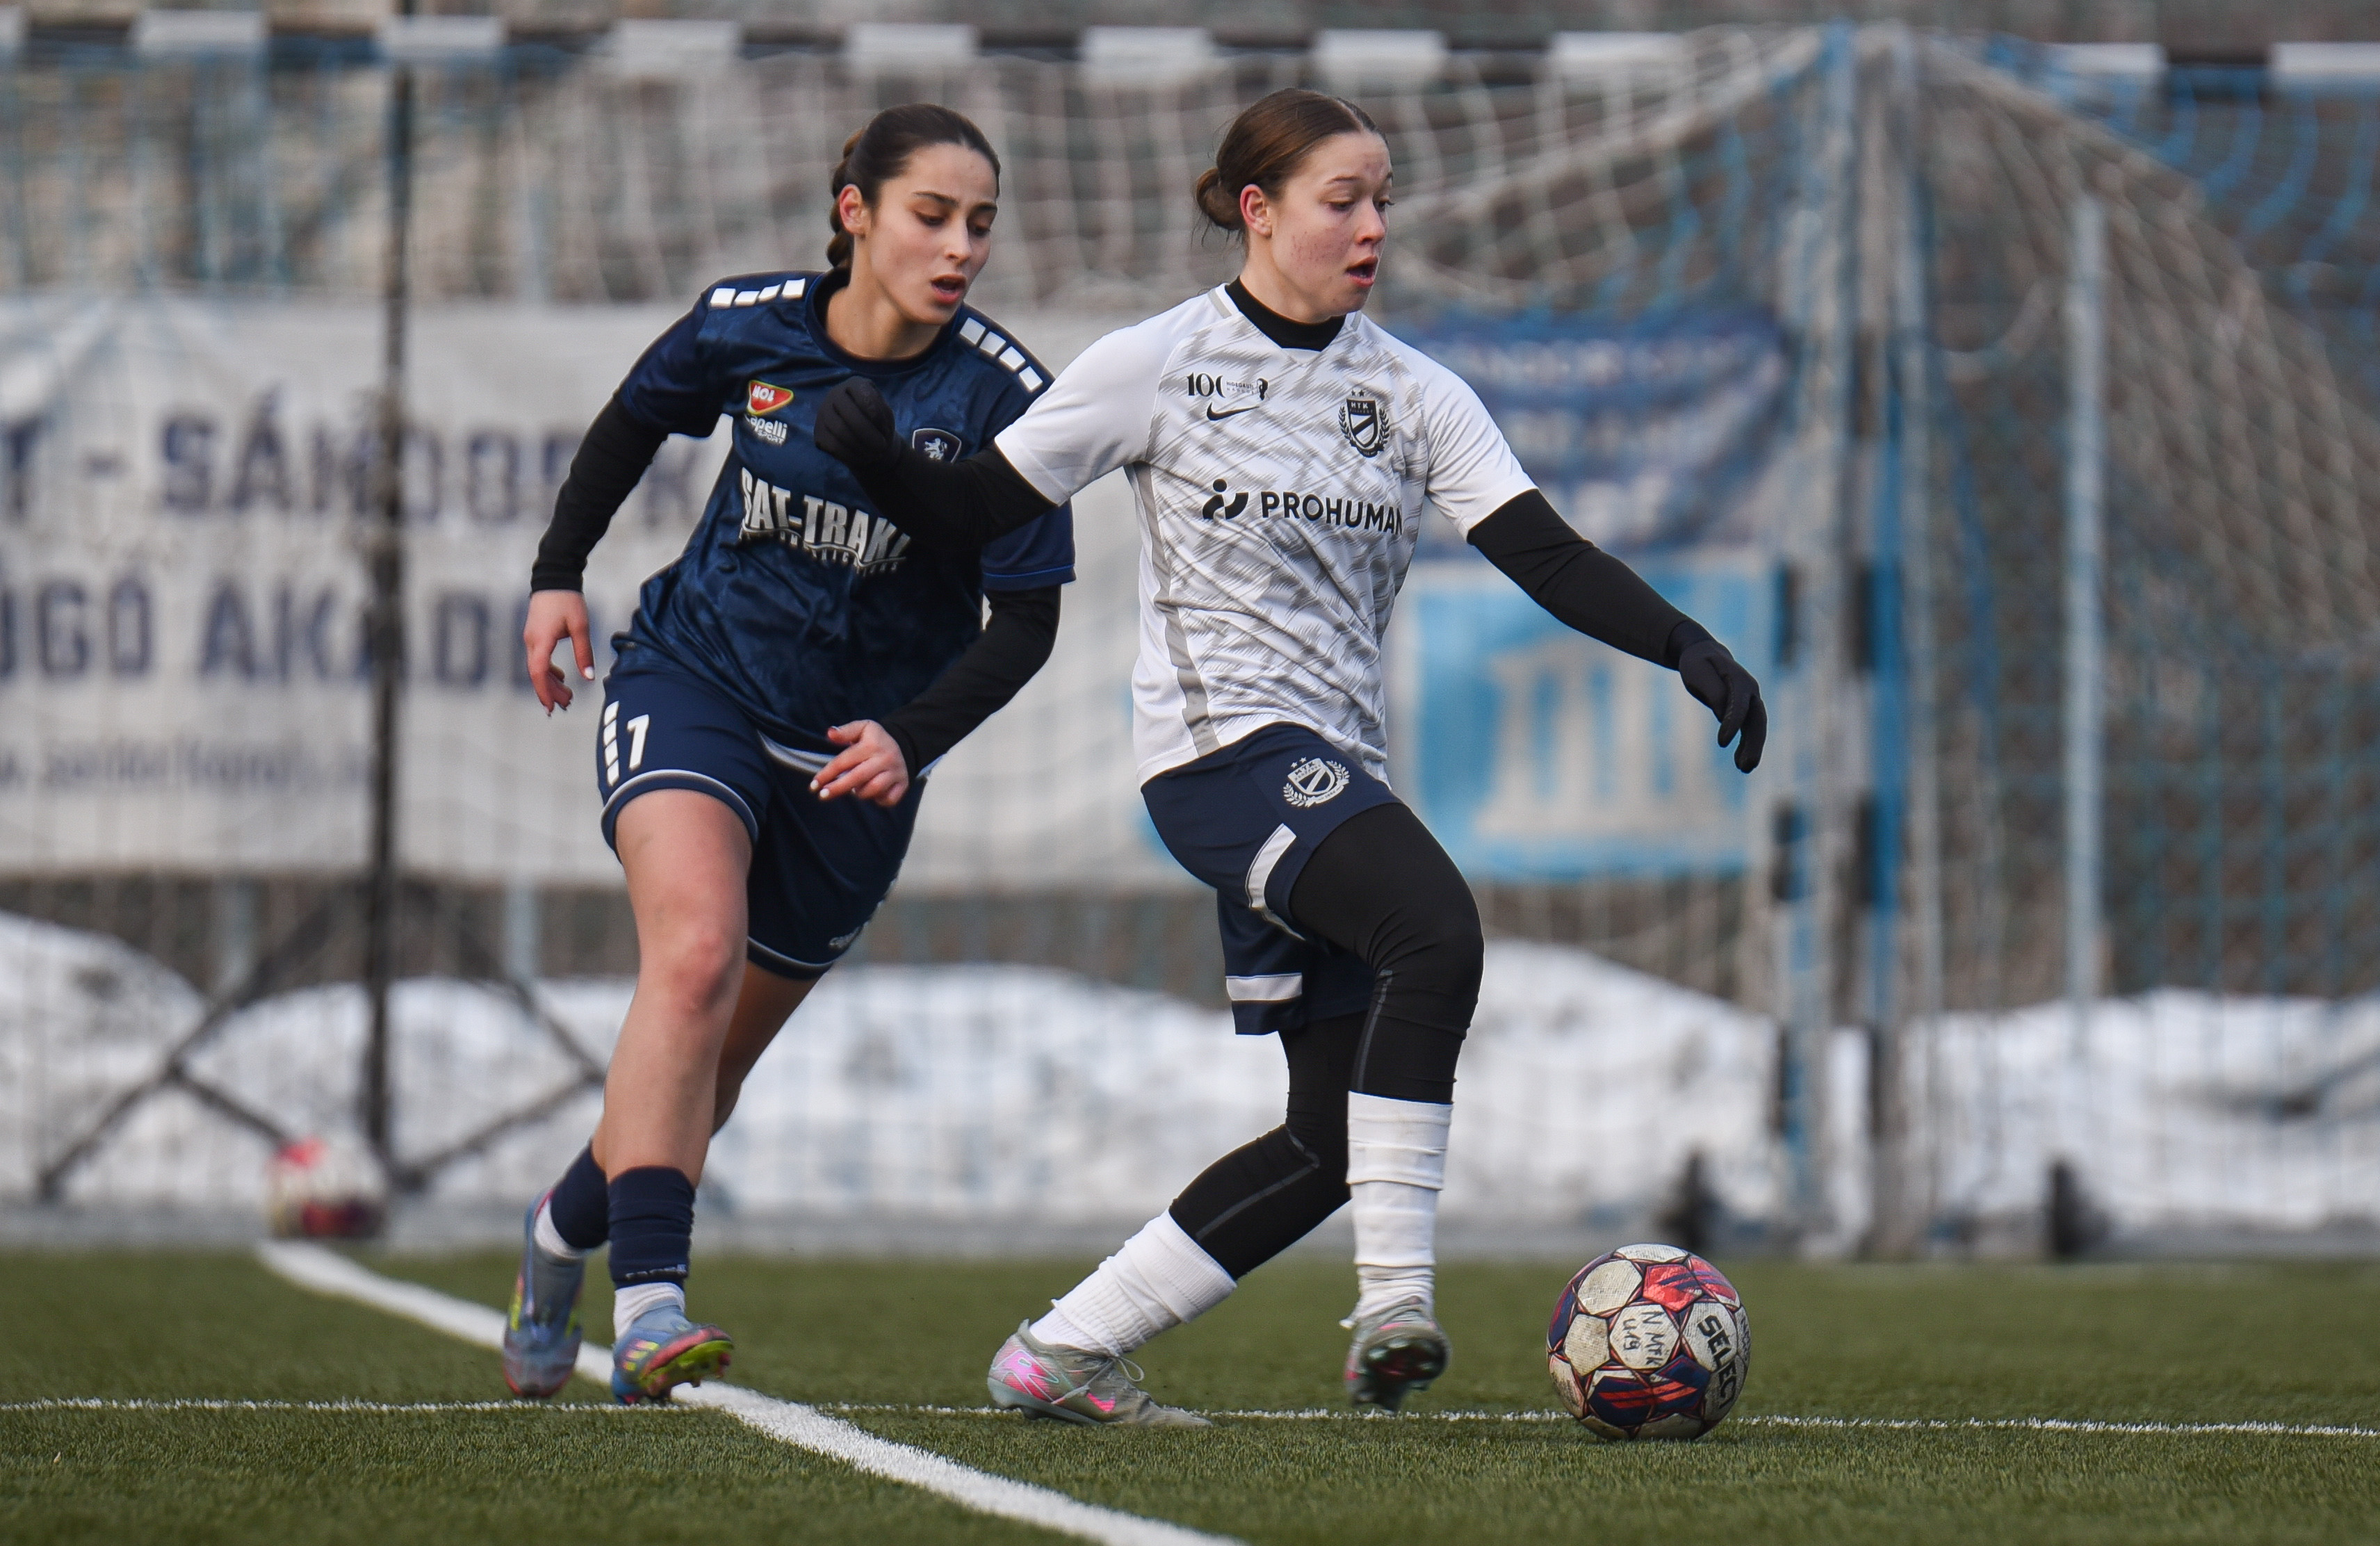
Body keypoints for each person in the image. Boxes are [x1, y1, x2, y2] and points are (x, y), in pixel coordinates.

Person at [812, 88, 1766, 1424]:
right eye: (1344, 199)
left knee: (1327, 1141)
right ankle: (1395, 1305)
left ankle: (1060, 1353)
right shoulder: (1159, 361)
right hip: (1216, 761)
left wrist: (1682, 645)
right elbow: (981, 505)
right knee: (1435, 930)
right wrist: (889, 467)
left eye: (1383, 200)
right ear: (1258, 211)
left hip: (1330, 768)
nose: (1373, 225)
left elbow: (1540, 550)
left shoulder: (1415, 391)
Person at [500, 105, 1075, 1405]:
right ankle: (650, 1309)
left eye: (981, 223)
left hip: (855, 764)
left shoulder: (1002, 398)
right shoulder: (747, 322)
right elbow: (632, 421)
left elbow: (1030, 618)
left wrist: (910, 737)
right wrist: (555, 578)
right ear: (854, 210)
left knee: (713, 1070)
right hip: (692, 681)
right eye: (933, 214)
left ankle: (557, 1237)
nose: (962, 246)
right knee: (690, 957)